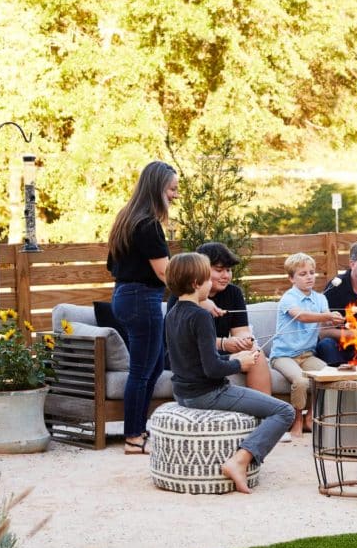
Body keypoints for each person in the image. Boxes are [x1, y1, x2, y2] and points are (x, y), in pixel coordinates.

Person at [164, 252, 294, 493]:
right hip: (207, 393)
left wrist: (232, 357)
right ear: (196, 284)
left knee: (274, 408)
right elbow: (212, 370)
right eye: (208, 280)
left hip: (183, 393)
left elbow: (193, 360)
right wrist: (239, 365)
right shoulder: (201, 316)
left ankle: (241, 459)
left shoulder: (172, 314)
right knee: (284, 411)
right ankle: (240, 461)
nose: (212, 284)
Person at [106, 160, 178, 455]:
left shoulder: (127, 219)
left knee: (152, 366)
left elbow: (112, 266)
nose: (174, 195)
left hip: (125, 295)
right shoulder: (148, 224)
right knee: (142, 371)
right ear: (157, 188)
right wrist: (196, 289)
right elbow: (165, 272)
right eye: (172, 189)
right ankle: (134, 436)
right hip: (141, 298)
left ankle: (139, 431)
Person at [166, 242, 272, 396]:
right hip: (187, 353)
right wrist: (224, 343)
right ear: (200, 269)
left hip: (219, 351)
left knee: (255, 353)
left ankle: (263, 408)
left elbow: (241, 331)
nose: (226, 276)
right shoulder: (183, 295)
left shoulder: (233, 293)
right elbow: (182, 341)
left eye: (228, 270)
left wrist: (244, 341)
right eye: (219, 270)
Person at [270, 253, 346, 438]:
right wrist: (327, 316)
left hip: (307, 355)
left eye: (312, 272)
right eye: (303, 274)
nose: (309, 277)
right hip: (284, 355)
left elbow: (327, 323)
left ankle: (310, 417)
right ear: (291, 278)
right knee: (301, 381)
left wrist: (341, 320)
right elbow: (302, 316)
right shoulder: (288, 298)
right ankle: (296, 419)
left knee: (327, 376)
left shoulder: (320, 299)